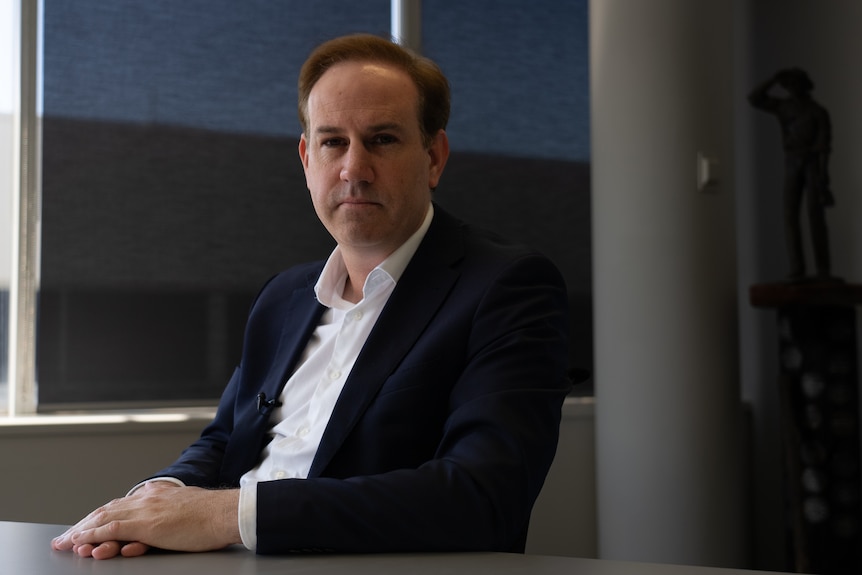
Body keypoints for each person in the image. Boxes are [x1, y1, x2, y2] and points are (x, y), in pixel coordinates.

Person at [51, 33, 571, 559]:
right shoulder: (284, 296)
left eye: (383, 139)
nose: (353, 169)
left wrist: (228, 515)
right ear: (306, 158)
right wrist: (158, 499)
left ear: (434, 157)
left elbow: (483, 499)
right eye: (332, 142)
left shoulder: (506, 287)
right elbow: (223, 441)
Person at [748, 67, 834, 281]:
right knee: (789, 215)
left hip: (811, 162)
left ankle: (823, 269)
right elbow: (754, 98)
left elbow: (823, 147)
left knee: (815, 216)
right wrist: (773, 79)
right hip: (792, 161)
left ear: (804, 85)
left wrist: (823, 176)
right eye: (788, 85)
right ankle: (797, 267)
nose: (791, 88)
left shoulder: (817, 111)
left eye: (795, 84)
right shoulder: (783, 107)